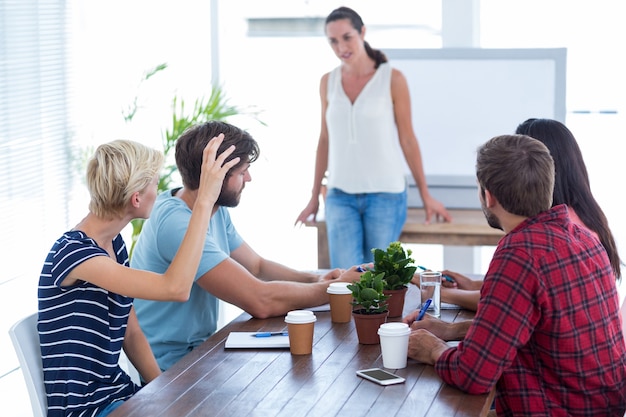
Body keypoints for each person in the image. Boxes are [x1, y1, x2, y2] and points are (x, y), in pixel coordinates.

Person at [404, 134, 626, 415]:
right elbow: (530, 332)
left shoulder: (519, 254)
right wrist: (449, 331)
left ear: (488, 196)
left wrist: (433, 349)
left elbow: (473, 375)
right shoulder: (583, 238)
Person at [131, 120, 360, 372]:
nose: (249, 178)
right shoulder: (177, 223)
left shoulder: (212, 209)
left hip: (201, 351)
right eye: (241, 172)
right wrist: (336, 289)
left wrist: (313, 280)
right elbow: (259, 300)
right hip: (169, 367)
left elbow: (256, 265)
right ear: (215, 173)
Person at [38, 137, 237, 417]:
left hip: (119, 395)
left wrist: (165, 392)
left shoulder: (113, 246)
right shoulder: (75, 254)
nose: (159, 191)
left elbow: (131, 333)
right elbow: (176, 288)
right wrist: (204, 200)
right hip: (87, 410)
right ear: (136, 198)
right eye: (155, 183)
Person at [294, 6, 451, 269]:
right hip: (340, 195)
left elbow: (408, 140)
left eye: (347, 37)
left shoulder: (392, 78)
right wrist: (313, 196)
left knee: (378, 280)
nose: (340, 46)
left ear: (362, 32)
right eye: (333, 41)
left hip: (386, 196)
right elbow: (324, 140)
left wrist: (425, 195)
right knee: (347, 279)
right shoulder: (327, 81)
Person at [437, 118, 622, 311]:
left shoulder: (569, 233)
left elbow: (511, 303)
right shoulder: (581, 218)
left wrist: (446, 295)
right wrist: (471, 284)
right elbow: (529, 292)